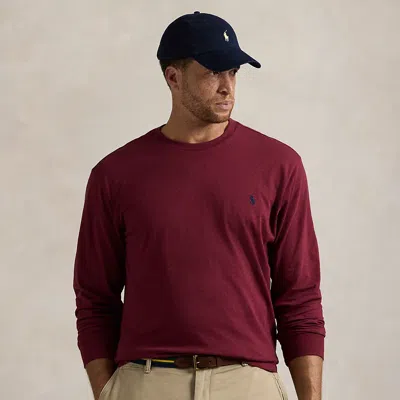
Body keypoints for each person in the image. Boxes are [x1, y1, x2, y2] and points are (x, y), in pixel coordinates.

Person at [73, 11, 326, 400]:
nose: (227, 87)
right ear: (173, 77)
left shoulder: (279, 165)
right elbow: (94, 299)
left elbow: (300, 296)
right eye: (213, 72)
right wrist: (109, 392)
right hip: (147, 382)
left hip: (248, 383)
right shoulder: (115, 175)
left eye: (233, 72)